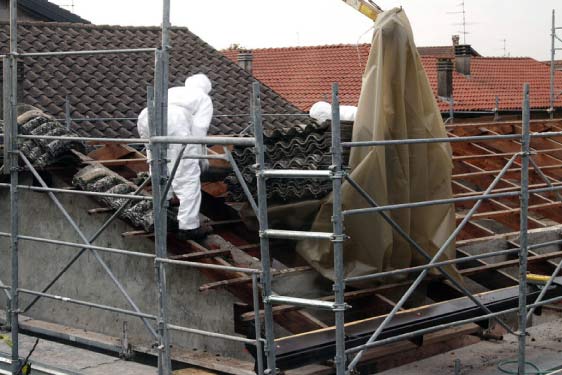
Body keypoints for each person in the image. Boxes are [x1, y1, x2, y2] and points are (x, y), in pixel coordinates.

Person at [137, 73, 214, 240]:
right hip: (174, 120)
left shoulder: (174, 91)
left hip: (146, 116)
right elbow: (199, 132)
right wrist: (199, 158)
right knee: (187, 174)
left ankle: (167, 198)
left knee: (158, 161)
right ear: (207, 89)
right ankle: (189, 226)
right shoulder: (203, 99)